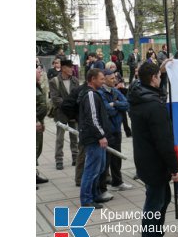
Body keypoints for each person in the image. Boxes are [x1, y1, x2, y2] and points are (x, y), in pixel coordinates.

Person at [130, 61, 178, 237]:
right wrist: (175, 167)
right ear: (153, 79)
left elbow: (151, 87)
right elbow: (164, 141)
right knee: (155, 203)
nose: (160, 79)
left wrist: (161, 70)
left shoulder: (138, 96)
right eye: (158, 77)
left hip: (145, 158)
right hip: (154, 161)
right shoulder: (154, 106)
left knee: (163, 198)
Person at [78, 69, 109, 208]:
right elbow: (92, 118)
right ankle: (86, 199)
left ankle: (95, 194)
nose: (103, 81)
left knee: (100, 167)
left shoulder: (95, 93)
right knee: (91, 169)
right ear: (92, 79)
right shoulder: (90, 94)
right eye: (101, 79)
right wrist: (101, 135)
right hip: (93, 139)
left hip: (97, 137)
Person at [99, 69, 133, 191]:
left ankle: (117, 182)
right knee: (106, 159)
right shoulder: (100, 92)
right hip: (107, 131)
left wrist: (115, 104)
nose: (115, 80)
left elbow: (127, 104)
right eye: (112, 78)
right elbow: (107, 110)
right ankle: (101, 187)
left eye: (115, 78)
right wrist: (115, 106)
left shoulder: (115, 91)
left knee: (116, 157)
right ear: (105, 79)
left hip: (117, 129)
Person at [49, 59, 80, 170]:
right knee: (60, 137)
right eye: (70, 67)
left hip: (72, 113)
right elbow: (55, 99)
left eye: (72, 67)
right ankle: (59, 160)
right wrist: (69, 103)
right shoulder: (54, 81)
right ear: (63, 68)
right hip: (61, 113)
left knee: (74, 135)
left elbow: (78, 96)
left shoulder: (75, 80)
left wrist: (71, 105)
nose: (72, 69)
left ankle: (75, 157)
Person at [36, 62, 49, 188]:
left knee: (37, 149)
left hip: (38, 123)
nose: (40, 72)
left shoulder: (37, 85)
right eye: (38, 71)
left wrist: (42, 121)